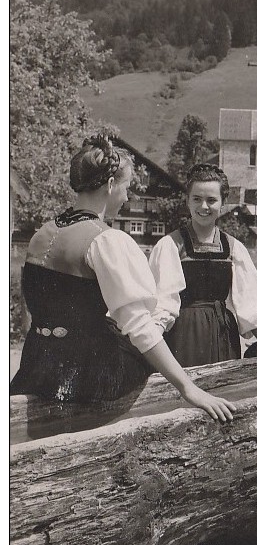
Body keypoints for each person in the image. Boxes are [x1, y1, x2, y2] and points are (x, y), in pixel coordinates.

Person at [10, 137, 236, 422]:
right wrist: (190, 390)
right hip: (87, 374)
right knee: (144, 351)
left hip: (38, 362)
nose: (128, 198)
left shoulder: (44, 232)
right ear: (109, 186)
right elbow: (139, 326)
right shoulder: (106, 240)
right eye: (127, 187)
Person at [148, 164, 257, 384]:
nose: (204, 206)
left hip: (223, 333)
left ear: (223, 203)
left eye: (211, 200)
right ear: (187, 201)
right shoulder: (171, 245)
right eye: (197, 199)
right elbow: (160, 304)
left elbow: (250, 302)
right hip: (183, 334)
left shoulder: (233, 247)